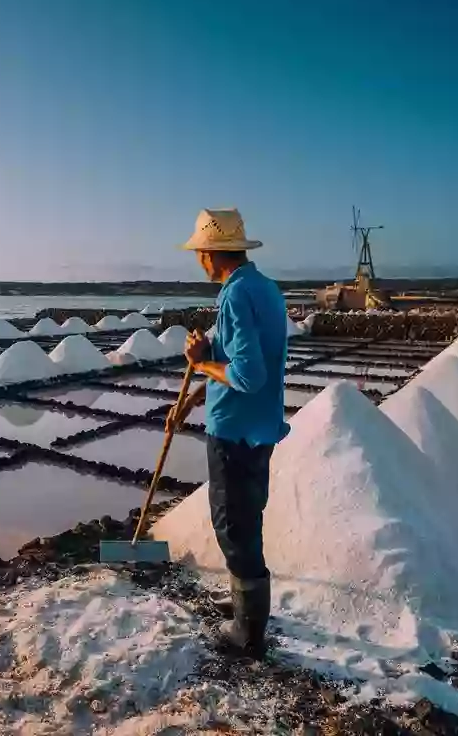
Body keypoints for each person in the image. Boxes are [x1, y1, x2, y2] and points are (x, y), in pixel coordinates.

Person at [167, 208, 289, 657]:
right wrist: (196, 392)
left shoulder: (235, 296)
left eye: (200, 250)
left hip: (236, 434)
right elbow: (240, 362)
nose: (198, 258)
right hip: (255, 428)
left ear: (211, 253)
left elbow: (247, 374)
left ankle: (248, 634)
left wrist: (200, 362)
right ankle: (244, 607)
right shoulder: (264, 289)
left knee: (233, 527)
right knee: (244, 520)